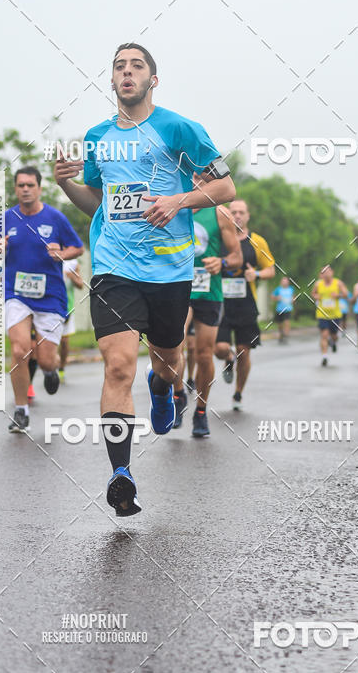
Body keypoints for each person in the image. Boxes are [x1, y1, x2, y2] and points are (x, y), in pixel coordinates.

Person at [54, 42, 235, 516]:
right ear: (111, 81)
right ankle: (121, 475)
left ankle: (163, 388)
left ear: (153, 79)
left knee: (167, 360)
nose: (127, 72)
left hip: (170, 269)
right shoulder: (97, 137)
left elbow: (224, 187)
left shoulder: (180, 129)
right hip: (114, 266)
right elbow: (99, 204)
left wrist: (177, 201)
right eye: (119, 67)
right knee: (117, 366)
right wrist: (65, 184)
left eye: (137, 66)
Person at [0, 166, 84, 433]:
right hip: (16, 292)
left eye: (30, 185)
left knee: (46, 358)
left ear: (39, 188)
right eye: (20, 185)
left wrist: (62, 254)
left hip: (50, 296)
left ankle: (49, 370)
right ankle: (21, 410)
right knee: (20, 349)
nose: (25, 189)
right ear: (15, 188)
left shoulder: (55, 218)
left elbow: (77, 247)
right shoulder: (7, 218)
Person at [172, 185, 242, 437]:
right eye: (189, 176)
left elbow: (237, 257)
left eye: (200, 178)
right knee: (176, 343)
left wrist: (221, 262)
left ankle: (200, 411)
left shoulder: (219, 214)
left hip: (209, 292)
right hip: (179, 289)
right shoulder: (173, 208)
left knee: (204, 354)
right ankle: (178, 394)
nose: (194, 183)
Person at [214, 199, 275, 410]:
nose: (237, 215)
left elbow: (271, 269)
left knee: (244, 350)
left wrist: (255, 273)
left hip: (246, 304)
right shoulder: (220, 237)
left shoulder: (257, 241)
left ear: (248, 216)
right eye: (234, 212)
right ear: (227, 215)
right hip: (220, 303)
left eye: (241, 212)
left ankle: (238, 393)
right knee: (219, 348)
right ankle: (228, 358)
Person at [312, 266, 348, 366]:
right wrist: (316, 296)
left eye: (328, 271)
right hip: (322, 314)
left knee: (334, 336)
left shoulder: (338, 283)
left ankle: (333, 342)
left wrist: (338, 296)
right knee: (324, 335)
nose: (326, 274)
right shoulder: (318, 284)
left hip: (335, 314)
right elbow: (313, 294)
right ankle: (324, 356)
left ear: (332, 272)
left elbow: (346, 294)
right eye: (324, 272)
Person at [59, 257, 85, 380]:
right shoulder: (48, 254)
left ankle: (61, 368)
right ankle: (47, 367)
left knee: (64, 341)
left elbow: (80, 285)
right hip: (49, 305)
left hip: (66, 306)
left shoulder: (73, 262)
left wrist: (71, 276)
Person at [271, 276, 294, 343]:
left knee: (287, 321)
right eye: (283, 281)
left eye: (286, 281)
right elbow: (272, 297)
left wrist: (292, 300)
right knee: (280, 324)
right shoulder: (278, 289)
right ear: (281, 282)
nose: (285, 282)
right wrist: (277, 298)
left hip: (288, 308)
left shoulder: (291, 289)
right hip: (280, 309)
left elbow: (293, 297)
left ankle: (286, 335)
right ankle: (281, 334)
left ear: (288, 282)